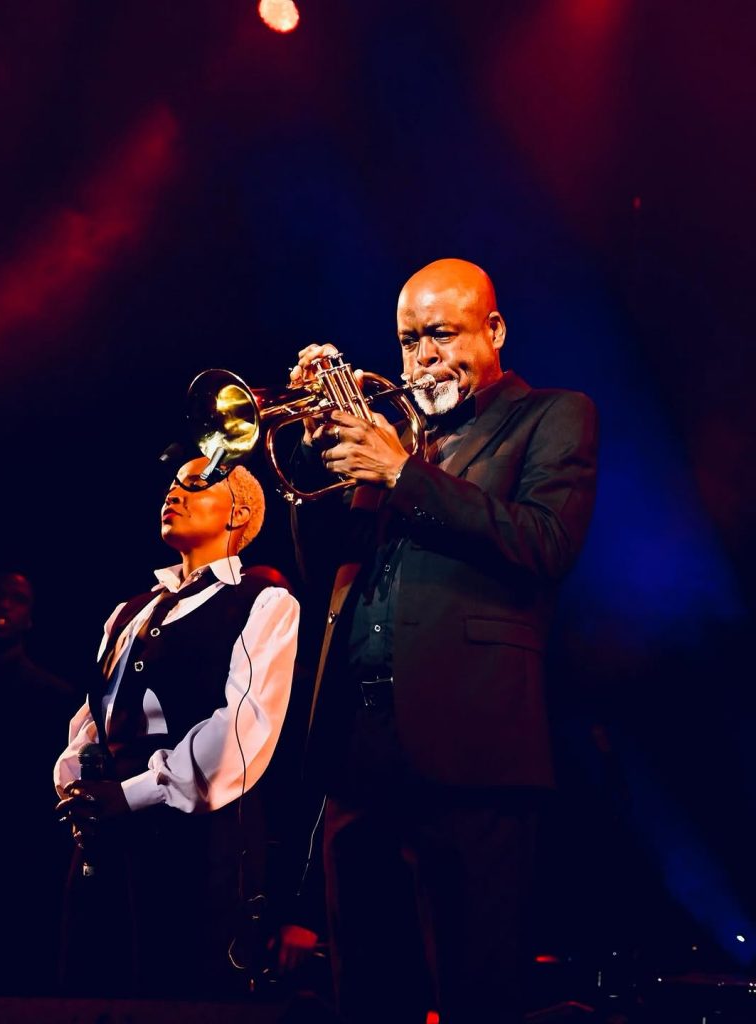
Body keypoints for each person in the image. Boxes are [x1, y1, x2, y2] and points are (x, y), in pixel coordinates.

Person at [285, 258, 599, 1024]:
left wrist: (402, 472)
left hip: (473, 750)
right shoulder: (393, 440)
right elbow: (323, 564)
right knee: (364, 989)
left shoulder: (552, 416)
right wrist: (316, 443)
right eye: (407, 340)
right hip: (358, 750)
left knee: (476, 990)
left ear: (493, 330)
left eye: (441, 334)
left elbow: (546, 542)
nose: (422, 356)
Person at [54, 457, 299, 999]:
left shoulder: (263, 600)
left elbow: (242, 728)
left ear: (238, 511)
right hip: (106, 828)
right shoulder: (128, 610)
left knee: (179, 989)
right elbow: (96, 715)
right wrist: (74, 778)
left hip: (199, 840)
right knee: (90, 984)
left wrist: (135, 793)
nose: (174, 493)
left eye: (196, 484)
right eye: (171, 485)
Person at [0, 571, 76, 994]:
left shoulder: (53, 698)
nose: (2, 605)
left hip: (21, 852)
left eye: (15, 598)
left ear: (30, 618)